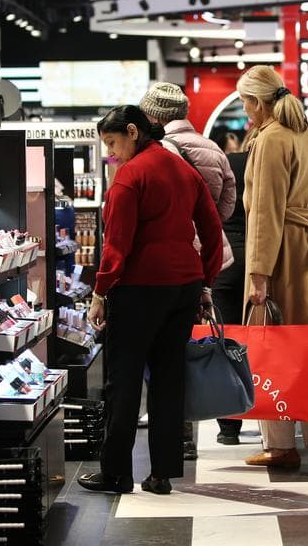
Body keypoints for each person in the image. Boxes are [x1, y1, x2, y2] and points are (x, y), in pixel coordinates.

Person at [79, 106, 224, 496]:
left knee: (123, 381)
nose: (111, 153)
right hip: (184, 287)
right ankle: (162, 473)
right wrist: (206, 282)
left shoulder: (130, 177)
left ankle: (116, 473)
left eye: (112, 143)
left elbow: (117, 243)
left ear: (132, 131)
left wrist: (100, 292)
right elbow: (212, 229)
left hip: (139, 288)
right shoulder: (185, 171)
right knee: (168, 378)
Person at [236, 65, 308, 470]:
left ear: (258, 101)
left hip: (281, 255)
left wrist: (258, 275)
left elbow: (265, 213)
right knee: (307, 343)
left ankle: (281, 445)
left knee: (271, 343)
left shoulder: (270, 139)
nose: (245, 110)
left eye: (245, 102)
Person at [139, 81, 236, 460]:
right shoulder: (213, 148)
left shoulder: (155, 152)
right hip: (208, 261)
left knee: (165, 350)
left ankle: (177, 434)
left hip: (170, 262)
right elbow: (226, 205)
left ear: (153, 117)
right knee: (200, 343)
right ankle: (222, 417)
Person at [211, 144, 249, 445]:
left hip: (225, 261)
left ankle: (229, 427)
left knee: (228, 340)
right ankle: (274, 408)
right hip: (260, 257)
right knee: (268, 335)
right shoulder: (264, 165)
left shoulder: (223, 164)